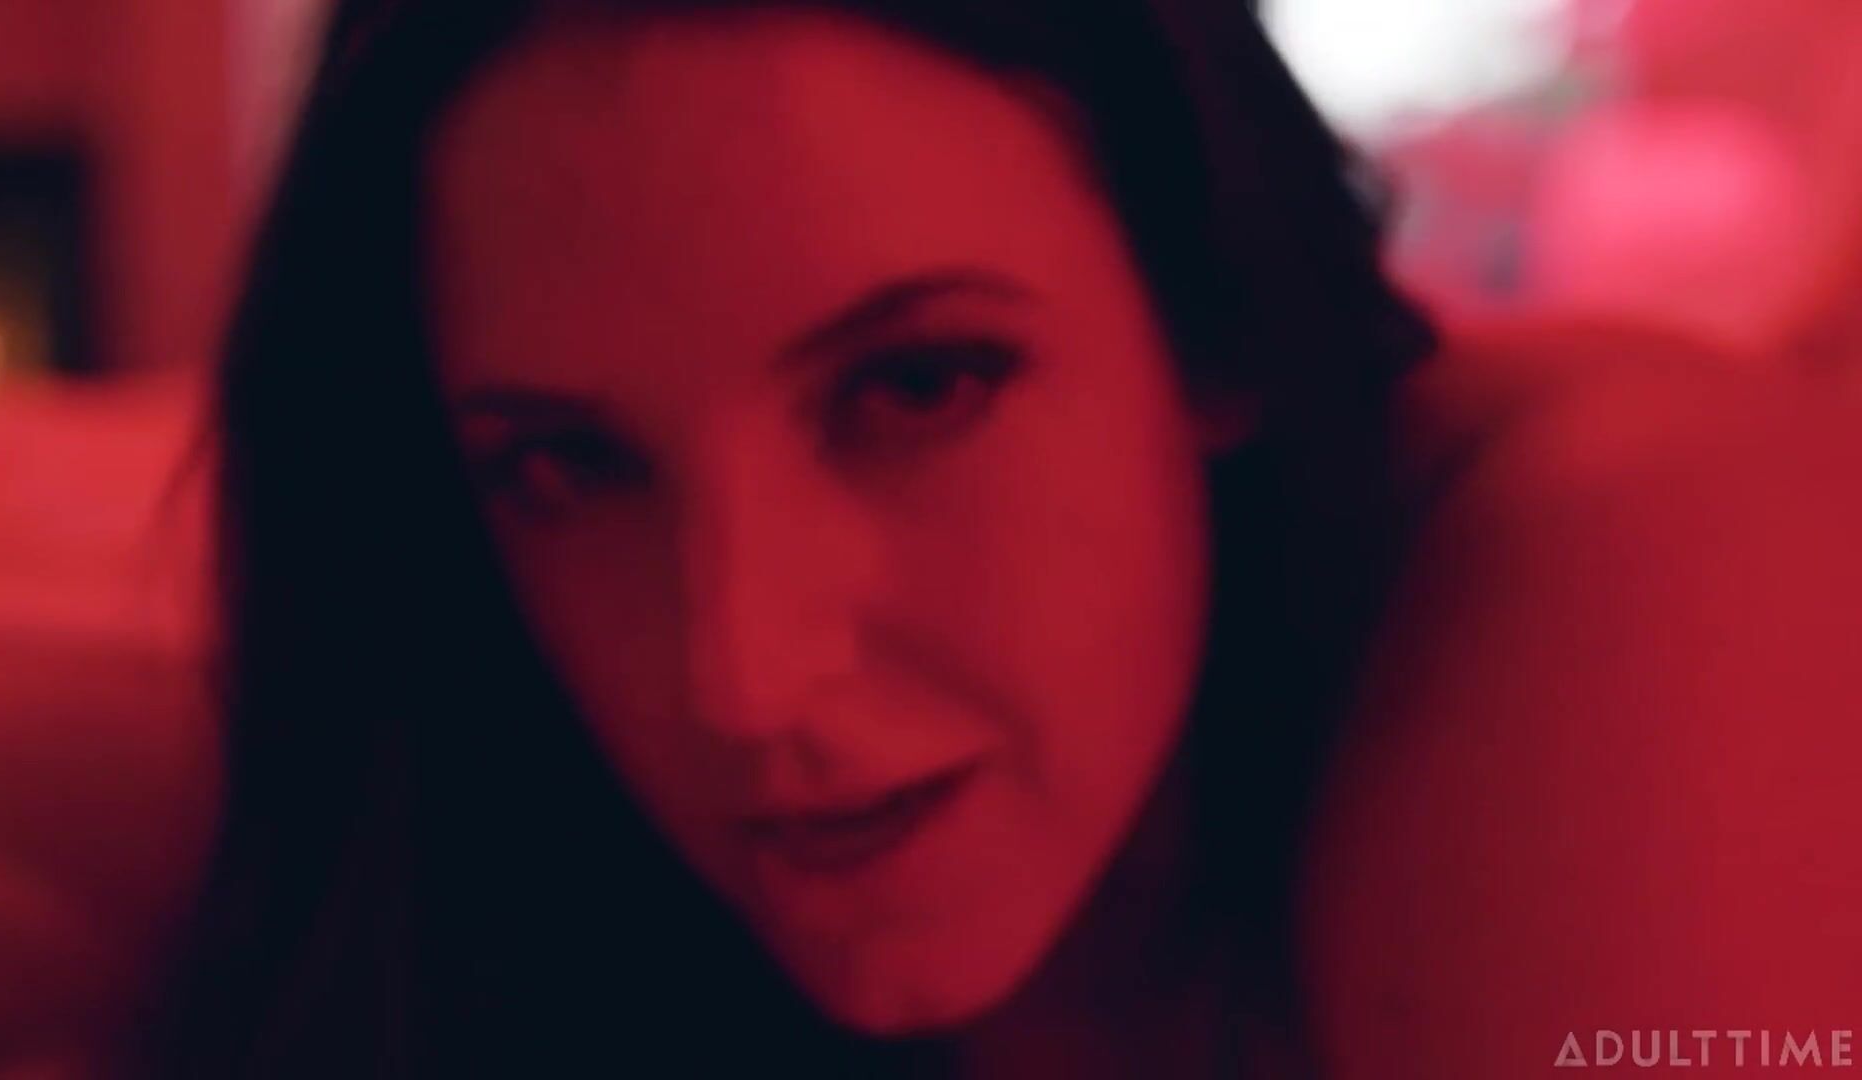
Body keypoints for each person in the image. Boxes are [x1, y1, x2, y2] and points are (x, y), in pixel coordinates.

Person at [120, 1, 1862, 1078]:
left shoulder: (1616, 539)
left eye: (917, 386)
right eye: (570, 466)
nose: (741, 679)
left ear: (1210, 312)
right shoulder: (448, 799)